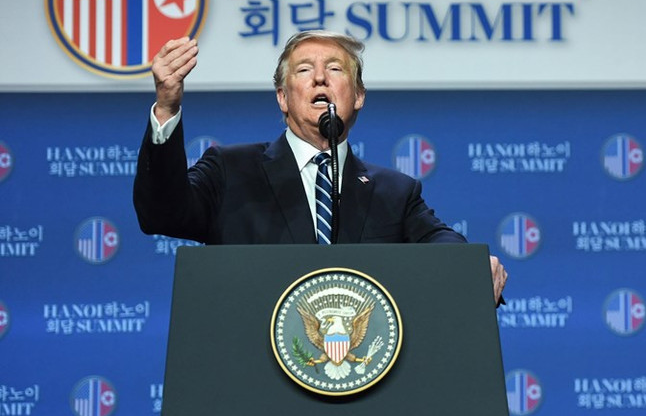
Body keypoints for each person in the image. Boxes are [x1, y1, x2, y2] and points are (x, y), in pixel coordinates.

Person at [134, 30, 506, 303]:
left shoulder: (394, 191)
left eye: (334, 69)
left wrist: (471, 265)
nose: (319, 78)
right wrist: (166, 108)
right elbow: (161, 213)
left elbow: (438, 241)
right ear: (282, 97)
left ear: (358, 96)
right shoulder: (231, 169)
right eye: (303, 70)